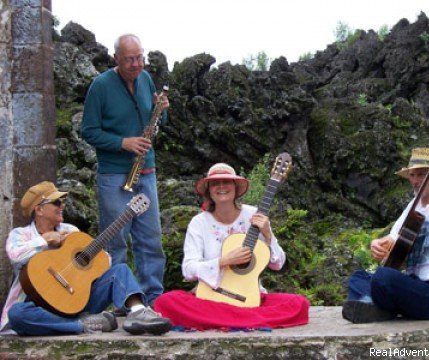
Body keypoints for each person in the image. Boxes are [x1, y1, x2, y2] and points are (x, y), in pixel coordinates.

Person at [0, 181, 171, 336]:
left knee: (120, 270)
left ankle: (139, 312)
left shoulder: (71, 231)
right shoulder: (20, 234)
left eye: (62, 202)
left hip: (77, 301)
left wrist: (92, 254)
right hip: (40, 305)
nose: (62, 206)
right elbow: (15, 256)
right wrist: (44, 240)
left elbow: (105, 262)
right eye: (57, 202)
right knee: (17, 314)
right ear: (39, 209)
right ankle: (81, 325)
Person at [153, 163, 309, 330]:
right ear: (209, 191)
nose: (221, 187)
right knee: (166, 301)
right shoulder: (198, 223)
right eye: (215, 183)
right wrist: (223, 261)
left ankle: (224, 320)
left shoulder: (255, 215)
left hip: (249, 297)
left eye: (226, 181)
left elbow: (277, 264)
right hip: (211, 298)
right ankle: (247, 320)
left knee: (299, 303)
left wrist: (268, 235)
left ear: (235, 187)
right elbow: (188, 270)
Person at [342, 145, 429, 323]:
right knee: (358, 277)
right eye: (412, 175)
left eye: (422, 174)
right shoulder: (413, 206)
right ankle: (378, 308)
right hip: (413, 286)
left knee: (383, 277)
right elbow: (392, 242)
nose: (415, 180)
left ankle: (374, 305)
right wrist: (378, 244)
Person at [80, 34, 168, 305]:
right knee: (115, 240)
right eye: (129, 59)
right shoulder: (100, 86)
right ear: (116, 58)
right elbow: (88, 131)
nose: (136, 64)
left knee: (151, 239)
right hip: (115, 173)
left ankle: (153, 299)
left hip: (146, 170)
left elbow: (154, 124)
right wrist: (123, 143)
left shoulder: (145, 79)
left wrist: (161, 111)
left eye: (140, 57)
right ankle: (119, 301)